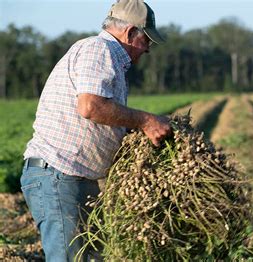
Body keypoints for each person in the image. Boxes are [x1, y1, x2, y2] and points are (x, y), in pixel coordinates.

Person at [20, 0, 170, 260]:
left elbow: (101, 116)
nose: (147, 50)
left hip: (73, 180)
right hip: (59, 176)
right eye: (146, 41)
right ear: (130, 32)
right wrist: (145, 121)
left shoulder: (109, 59)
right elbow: (91, 107)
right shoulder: (98, 49)